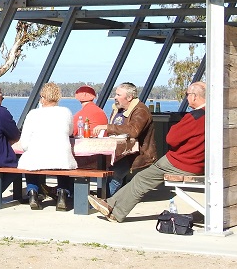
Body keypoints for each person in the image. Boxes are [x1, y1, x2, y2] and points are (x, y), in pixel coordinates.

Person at [88, 82, 206, 222]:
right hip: (198, 163)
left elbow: (171, 138)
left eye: (187, 95)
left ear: (195, 97)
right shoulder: (212, 115)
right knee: (138, 177)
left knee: (140, 179)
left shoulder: (194, 117)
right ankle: (110, 204)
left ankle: (115, 210)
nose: (186, 98)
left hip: (180, 162)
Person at [16, 83, 76, 211]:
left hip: (37, 156)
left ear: (42, 98)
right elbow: (70, 132)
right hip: (60, 157)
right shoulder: (65, 112)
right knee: (63, 166)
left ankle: (32, 192)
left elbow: (25, 142)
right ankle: (62, 194)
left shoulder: (33, 114)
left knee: (30, 164)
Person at [91, 82, 156, 196]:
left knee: (116, 173)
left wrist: (107, 127)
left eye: (118, 95)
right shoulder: (118, 109)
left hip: (136, 153)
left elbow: (133, 131)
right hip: (118, 152)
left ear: (129, 97)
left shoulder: (141, 110)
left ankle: (105, 200)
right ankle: (100, 196)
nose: (115, 97)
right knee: (95, 166)